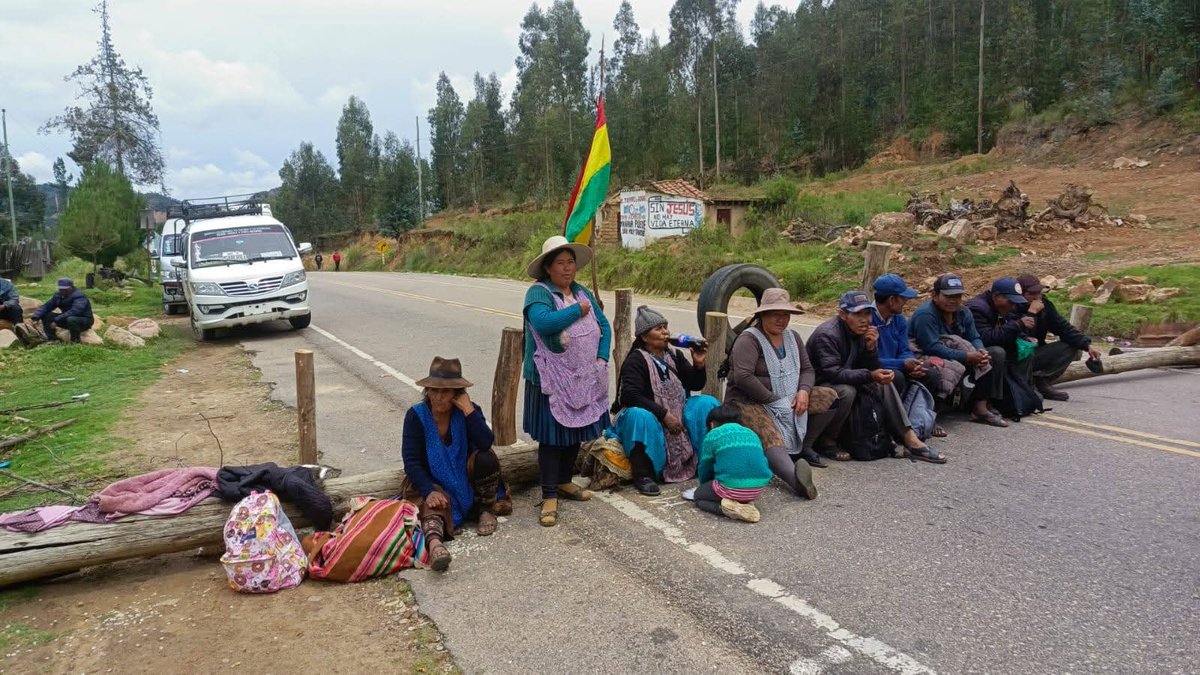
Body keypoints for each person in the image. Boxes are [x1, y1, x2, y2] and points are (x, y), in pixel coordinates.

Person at [522, 235, 611, 527]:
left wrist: (601, 359)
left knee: (575, 432)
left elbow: (604, 325)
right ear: (548, 268)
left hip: (583, 378)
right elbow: (544, 323)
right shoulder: (538, 294)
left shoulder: (581, 291)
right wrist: (577, 310)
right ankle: (549, 494)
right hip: (551, 379)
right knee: (552, 438)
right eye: (560, 263)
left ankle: (563, 481)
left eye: (570, 262)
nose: (567, 268)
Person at [400, 357, 512, 572]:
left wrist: (469, 411)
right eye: (434, 391)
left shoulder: (467, 411)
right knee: (432, 506)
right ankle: (435, 544)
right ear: (427, 391)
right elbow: (411, 461)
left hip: (466, 480)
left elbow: (485, 442)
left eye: (446, 392)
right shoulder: (416, 416)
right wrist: (429, 490)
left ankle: (485, 508)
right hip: (433, 482)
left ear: (457, 394)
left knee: (486, 458)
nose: (438, 397)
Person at [808, 290, 946, 463]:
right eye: (857, 314)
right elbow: (832, 373)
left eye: (867, 314)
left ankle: (909, 438)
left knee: (885, 382)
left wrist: (871, 349)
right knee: (847, 391)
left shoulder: (862, 332)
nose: (864, 320)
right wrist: (870, 374)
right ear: (843, 315)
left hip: (844, 377)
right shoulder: (828, 334)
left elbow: (869, 367)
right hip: (820, 385)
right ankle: (827, 440)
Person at [724, 287, 827, 497]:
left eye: (785, 314)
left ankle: (802, 448)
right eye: (775, 314)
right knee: (768, 433)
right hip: (749, 401)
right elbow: (743, 377)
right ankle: (796, 481)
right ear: (762, 315)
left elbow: (807, 370)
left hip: (788, 397)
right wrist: (773, 400)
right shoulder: (749, 339)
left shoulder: (793, 337)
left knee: (831, 397)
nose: (781, 319)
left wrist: (804, 391)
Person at [611, 305, 719, 496]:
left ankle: (706, 464)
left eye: (665, 327)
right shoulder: (636, 360)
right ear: (644, 337)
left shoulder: (674, 355)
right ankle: (644, 475)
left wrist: (698, 364)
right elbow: (630, 395)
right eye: (658, 328)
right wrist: (663, 414)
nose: (665, 332)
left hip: (676, 413)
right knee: (639, 415)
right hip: (651, 418)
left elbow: (695, 384)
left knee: (706, 403)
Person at [909, 274, 1008, 427]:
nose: (953, 301)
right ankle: (931, 414)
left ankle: (980, 408)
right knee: (937, 367)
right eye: (948, 296)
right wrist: (966, 356)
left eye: (957, 296)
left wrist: (981, 351)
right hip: (924, 353)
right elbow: (931, 347)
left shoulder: (963, 312)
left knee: (992, 355)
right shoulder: (926, 314)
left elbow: (974, 336)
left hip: (954, 351)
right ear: (935, 295)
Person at [1016, 274, 1100, 401]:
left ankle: (1042, 380)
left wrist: (1087, 345)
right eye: (1031, 294)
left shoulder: (1045, 306)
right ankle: (1024, 383)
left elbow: (1063, 327)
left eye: (1038, 293)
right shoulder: (1011, 307)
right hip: (1016, 355)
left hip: (1035, 353)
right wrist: (1031, 313)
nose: (1037, 297)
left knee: (1072, 345)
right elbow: (1014, 335)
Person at [693, 404, 773, 523]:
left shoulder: (713, 435)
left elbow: (705, 467)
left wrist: (704, 486)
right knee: (734, 484)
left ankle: (724, 509)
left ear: (712, 424)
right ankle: (745, 502)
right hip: (757, 489)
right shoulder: (751, 433)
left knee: (698, 497)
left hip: (731, 488)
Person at [28, 278, 94, 345]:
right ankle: (53, 339)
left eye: (65, 289)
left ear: (71, 287)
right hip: (67, 318)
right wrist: (36, 317)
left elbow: (75, 311)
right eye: (61, 289)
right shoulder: (58, 295)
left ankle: (75, 341)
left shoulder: (79, 296)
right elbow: (47, 306)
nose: (62, 291)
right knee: (46, 315)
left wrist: (57, 320)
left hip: (84, 321)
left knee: (71, 319)